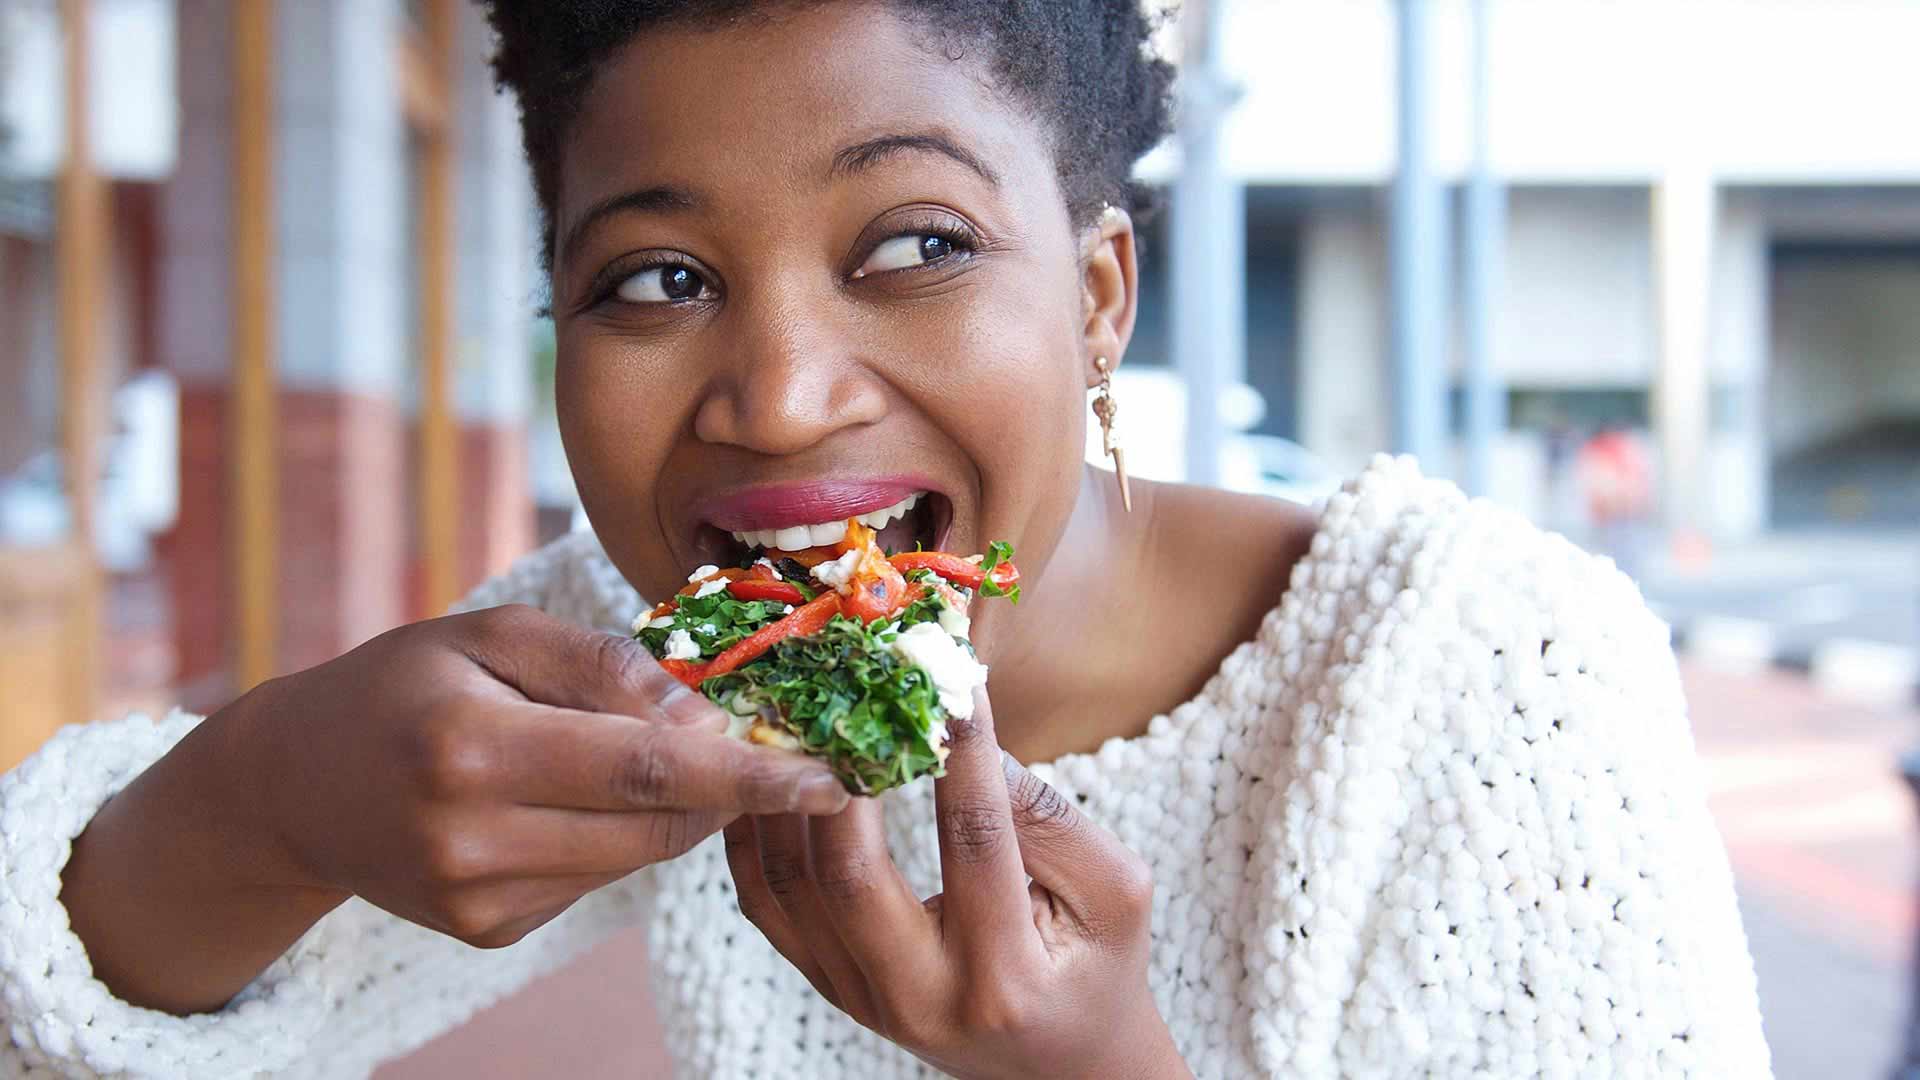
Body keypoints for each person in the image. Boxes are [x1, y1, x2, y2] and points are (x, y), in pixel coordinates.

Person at [0, 3, 1771, 1077]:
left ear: (1094, 295)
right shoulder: (624, 672)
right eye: (655, 279)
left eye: (913, 244)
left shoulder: (1483, 674)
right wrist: (258, 802)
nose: (774, 394)